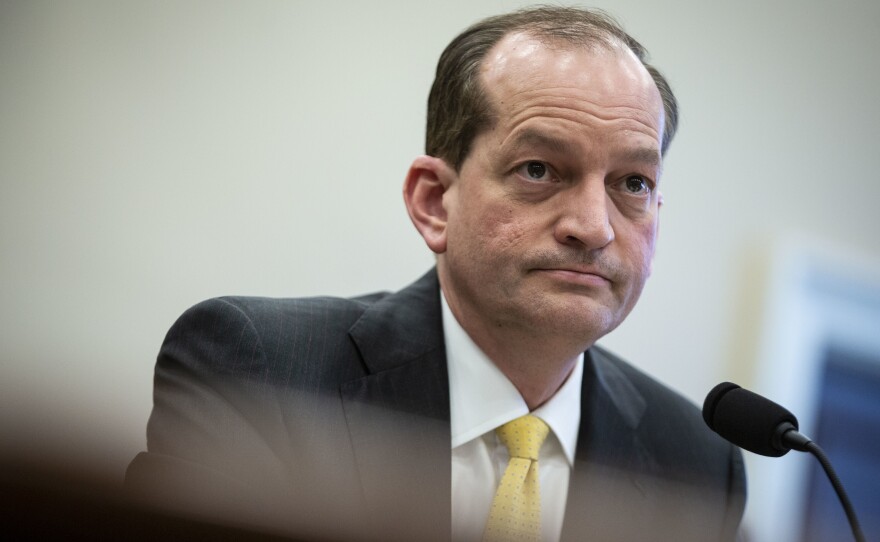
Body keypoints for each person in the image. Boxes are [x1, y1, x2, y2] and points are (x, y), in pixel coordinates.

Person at [126, 6, 745, 542]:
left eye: (632, 184)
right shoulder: (258, 373)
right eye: (539, 169)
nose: (594, 226)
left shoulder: (697, 462)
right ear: (432, 201)